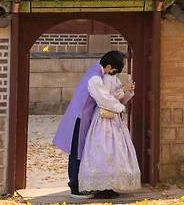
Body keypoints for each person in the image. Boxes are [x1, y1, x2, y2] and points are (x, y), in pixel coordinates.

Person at [52, 50, 137, 199]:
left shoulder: (96, 71)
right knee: (77, 152)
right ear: (109, 66)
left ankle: (80, 184)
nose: (114, 73)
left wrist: (123, 92)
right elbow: (104, 99)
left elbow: (108, 96)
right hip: (80, 117)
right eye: (115, 69)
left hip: (84, 116)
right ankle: (75, 187)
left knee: (82, 150)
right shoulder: (95, 79)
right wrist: (120, 108)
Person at [78, 62, 141, 198]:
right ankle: (103, 187)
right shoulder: (102, 78)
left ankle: (112, 185)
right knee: (104, 149)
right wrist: (122, 90)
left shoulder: (114, 78)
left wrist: (128, 91)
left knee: (116, 150)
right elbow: (106, 98)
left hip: (115, 117)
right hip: (103, 117)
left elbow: (119, 99)